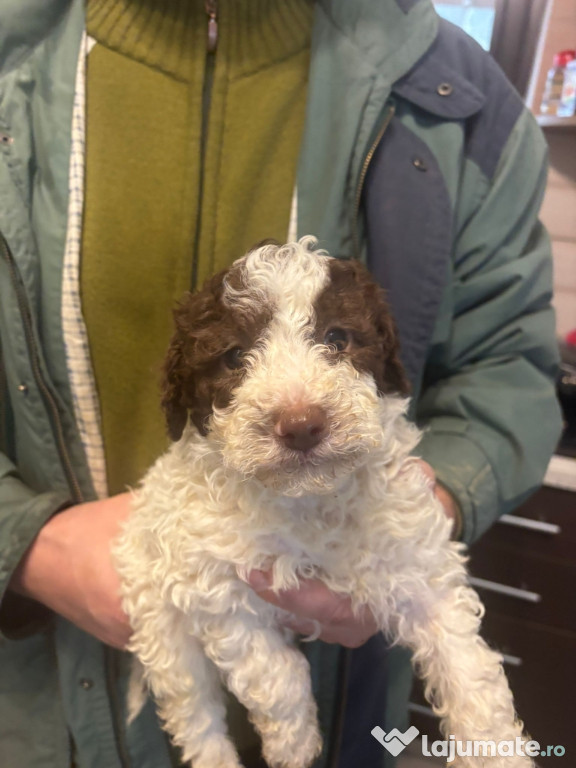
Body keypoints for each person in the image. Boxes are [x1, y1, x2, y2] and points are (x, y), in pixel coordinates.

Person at [0, 1, 562, 767]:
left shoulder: (457, 90)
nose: (298, 410)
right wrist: (29, 541)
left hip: (354, 713)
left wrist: (419, 517)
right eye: (235, 361)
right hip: (40, 713)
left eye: (338, 341)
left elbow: (506, 366)